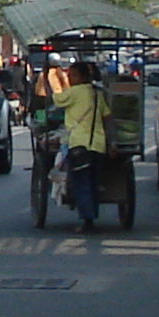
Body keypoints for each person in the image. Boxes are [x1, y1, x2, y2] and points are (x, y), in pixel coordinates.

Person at [59, 58, 108, 229]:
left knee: (81, 183)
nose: (71, 78)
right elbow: (106, 116)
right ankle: (92, 214)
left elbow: (56, 100)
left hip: (79, 144)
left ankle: (88, 220)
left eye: (73, 75)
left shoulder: (75, 92)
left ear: (83, 77)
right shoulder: (97, 94)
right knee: (93, 182)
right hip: (99, 145)